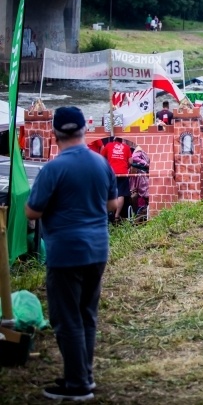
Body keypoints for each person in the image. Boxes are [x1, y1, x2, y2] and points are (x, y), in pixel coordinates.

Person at [25, 107, 116, 402]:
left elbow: (32, 211)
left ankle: (77, 385)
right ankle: (84, 376)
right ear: (82, 130)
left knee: (66, 319)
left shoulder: (52, 169)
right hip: (98, 249)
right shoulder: (101, 163)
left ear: (54, 133)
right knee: (86, 315)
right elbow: (113, 204)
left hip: (66, 252)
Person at [100, 136, 132, 222]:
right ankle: (117, 216)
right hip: (122, 173)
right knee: (120, 194)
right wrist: (126, 166)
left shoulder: (108, 145)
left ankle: (109, 214)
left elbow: (101, 158)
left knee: (110, 193)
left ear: (114, 139)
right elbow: (130, 161)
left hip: (111, 173)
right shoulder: (126, 147)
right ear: (122, 140)